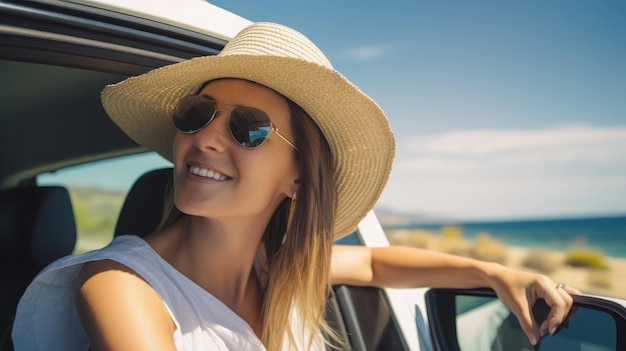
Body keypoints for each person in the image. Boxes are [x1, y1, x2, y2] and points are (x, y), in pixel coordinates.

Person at [12, 22, 578, 350]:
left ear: (297, 178)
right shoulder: (120, 286)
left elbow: (377, 267)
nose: (207, 138)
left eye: (247, 128)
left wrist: (495, 273)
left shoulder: (279, 268)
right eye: (198, 113)